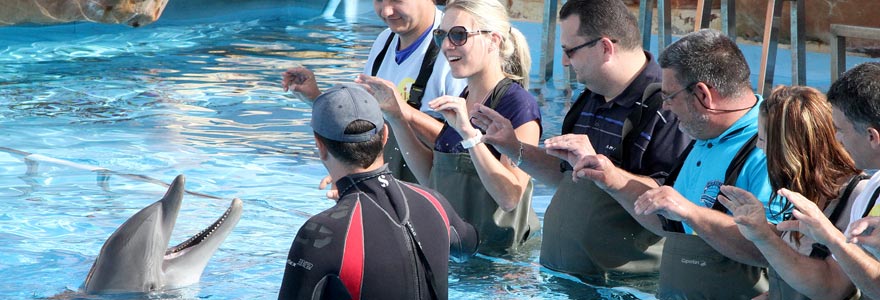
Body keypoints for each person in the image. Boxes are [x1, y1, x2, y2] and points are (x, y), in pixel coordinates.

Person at [470, 0, 689, 285]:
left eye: (569, 51)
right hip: (569, 280)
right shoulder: (590, 96)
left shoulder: (665, 107)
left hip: (623, 286)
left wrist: (607, 174)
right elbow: (565, 174)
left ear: (605, 48)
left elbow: (670, 212)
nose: (563, 62)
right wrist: (514, 148)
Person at [548, 29, 778, 298]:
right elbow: (669, 223)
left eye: (669, 97)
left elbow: (772, 250)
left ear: (703, 95)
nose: (665, 107)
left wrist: (690, 212)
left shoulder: (766, 149)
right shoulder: (703, 134)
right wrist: (611, 179)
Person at [357, 0, 540, 254]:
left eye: (458, 35)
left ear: (493, 40)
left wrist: (469, 135)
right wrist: (398, 117)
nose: (445, 46)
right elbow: (433, 179)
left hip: (498, 266)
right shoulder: (464, 98)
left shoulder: (518, 106)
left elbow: (510, 197)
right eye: (441, 35)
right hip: (457, 254)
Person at [277, 84, 479, 299]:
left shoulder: (322, 233)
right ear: (384, 136)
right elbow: (470, 246)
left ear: (320, 146)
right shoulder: (434, 202)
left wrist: (344, 213)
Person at [281, 0, 467, 184]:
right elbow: (366, 125)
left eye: (397, 0)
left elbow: (466, 143)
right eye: (378, 0)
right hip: (395, 185)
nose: (386, 11)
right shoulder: (384, 41)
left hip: (441, 188)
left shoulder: (457, 47)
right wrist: (315, 98)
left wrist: (403, 112)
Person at [717, 85, 864, 299]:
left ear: (789, 149)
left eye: (763, 139)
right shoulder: (806, 195)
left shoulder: (859, 196)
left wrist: (764, 237)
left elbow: (833, 289)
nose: (759, 147)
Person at [769, 62, 880, 299]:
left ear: (872, 136)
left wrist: (830, 236)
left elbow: (840, 289)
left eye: (840, 130)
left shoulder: (860, 189)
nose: (837, 140)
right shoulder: (874, 188)